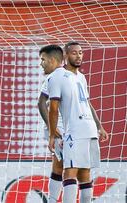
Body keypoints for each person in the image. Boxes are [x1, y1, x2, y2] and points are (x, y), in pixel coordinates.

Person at [48, 42, 109, 203]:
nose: (79, 56)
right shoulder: (57, 76)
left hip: (89, 130)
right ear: (65, 56)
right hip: (73, 131)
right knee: (70, 172)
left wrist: (99, 126)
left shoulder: (81, 77)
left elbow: (87, 103)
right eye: (74, 53)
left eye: (81, 52)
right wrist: (52, 134)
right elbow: (52, 108)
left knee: (85, 175)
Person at [37, 45, 65, 203]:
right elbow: (41, 103)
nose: (41, 63)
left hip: (67, 128)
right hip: (60, 129)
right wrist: (52, 129)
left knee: (62, 166)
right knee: (65, 167)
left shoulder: (65, 77)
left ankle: (53, 199)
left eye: (43, 60)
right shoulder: (53, 77)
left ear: (54, 61)